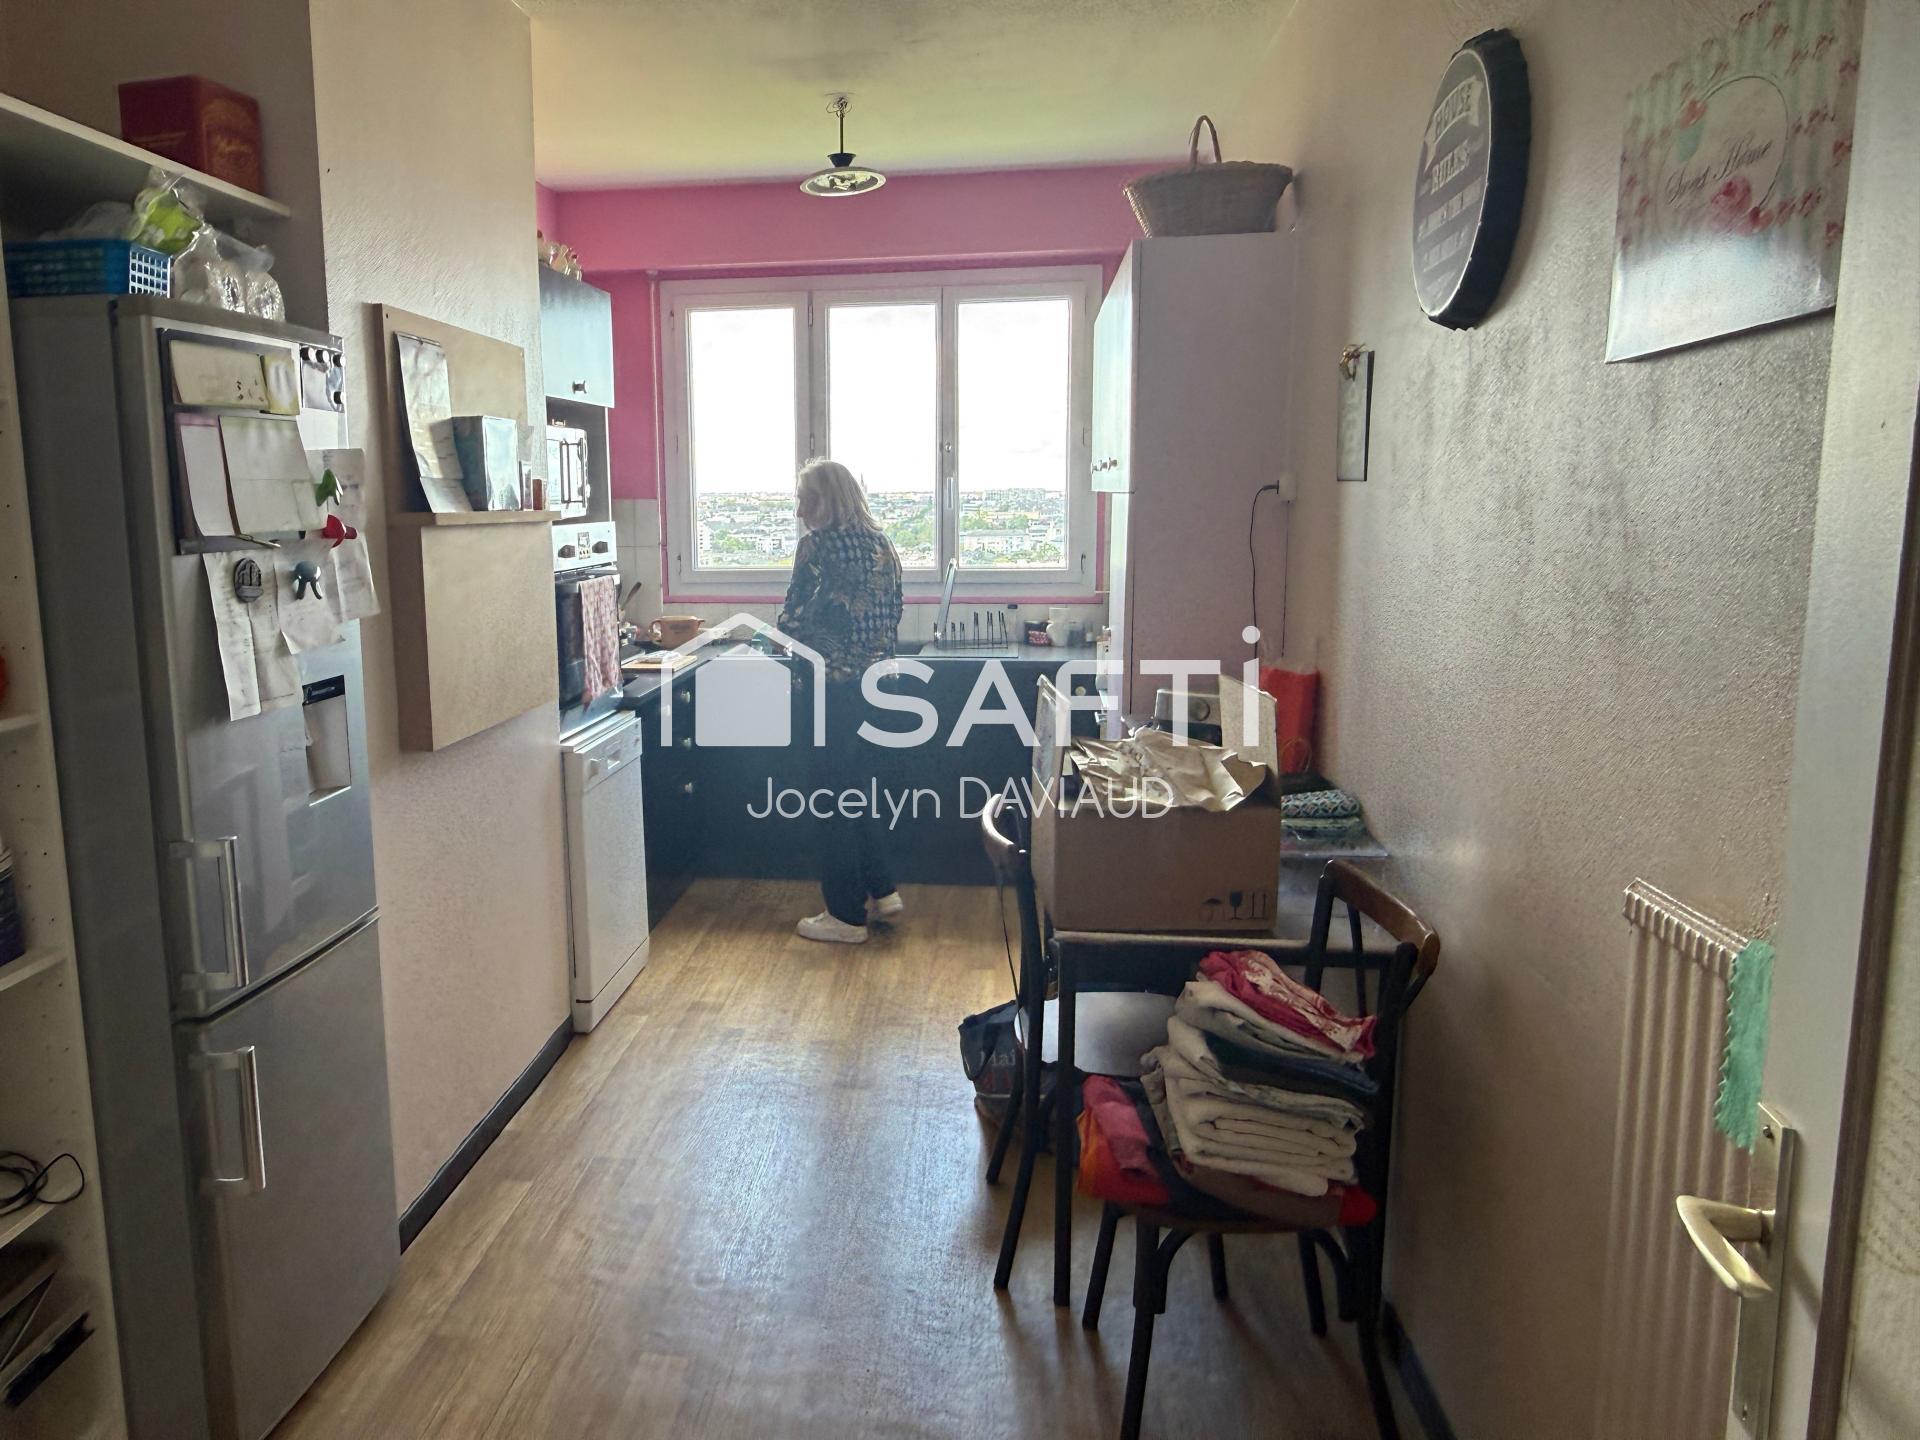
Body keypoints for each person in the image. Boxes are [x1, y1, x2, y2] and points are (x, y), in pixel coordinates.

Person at [777, 459, 905, 944]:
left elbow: (794, 620)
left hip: (830, 692)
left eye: (805, 500)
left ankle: (846, 916)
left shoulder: (818, 548)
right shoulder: (882, 545)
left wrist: (779, 638)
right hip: (878, 690)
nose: (799, 510)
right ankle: (882, 889)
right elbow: (894, 611)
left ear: (829, 500)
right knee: (856, 792)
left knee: (829, 801)